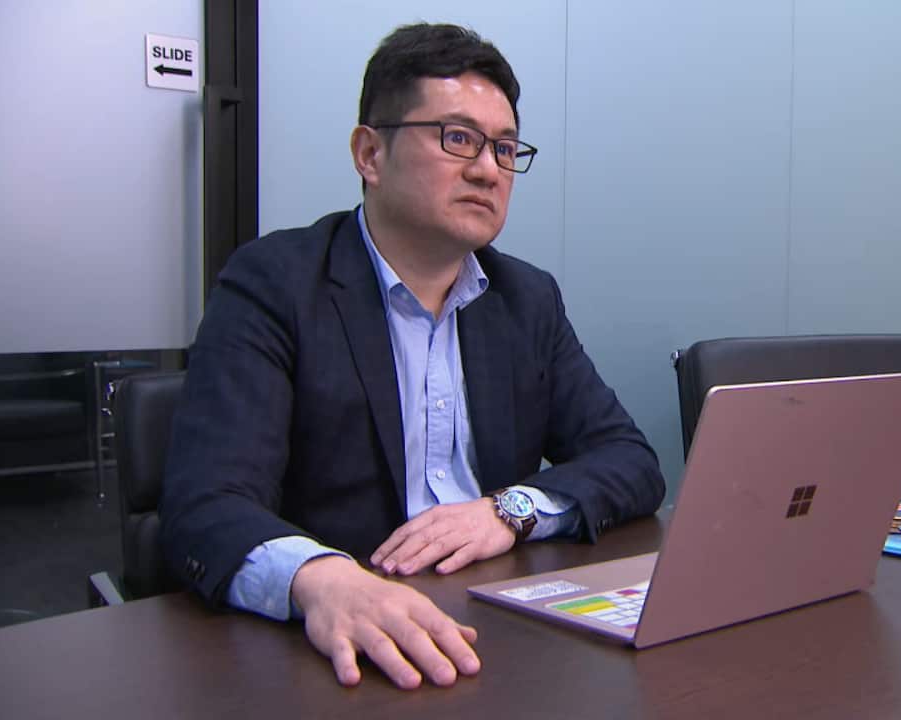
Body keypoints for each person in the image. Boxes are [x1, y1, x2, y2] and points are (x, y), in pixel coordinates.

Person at [159, 23, 664, 691]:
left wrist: (507, 510)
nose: (488, 168)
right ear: (370, 153)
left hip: (492, 635)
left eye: (506, 148)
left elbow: (629, 459)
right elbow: (206, 502)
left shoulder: (525, 298)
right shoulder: (274, 284)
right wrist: (322, 579)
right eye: (458, 138)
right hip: (335, 657)